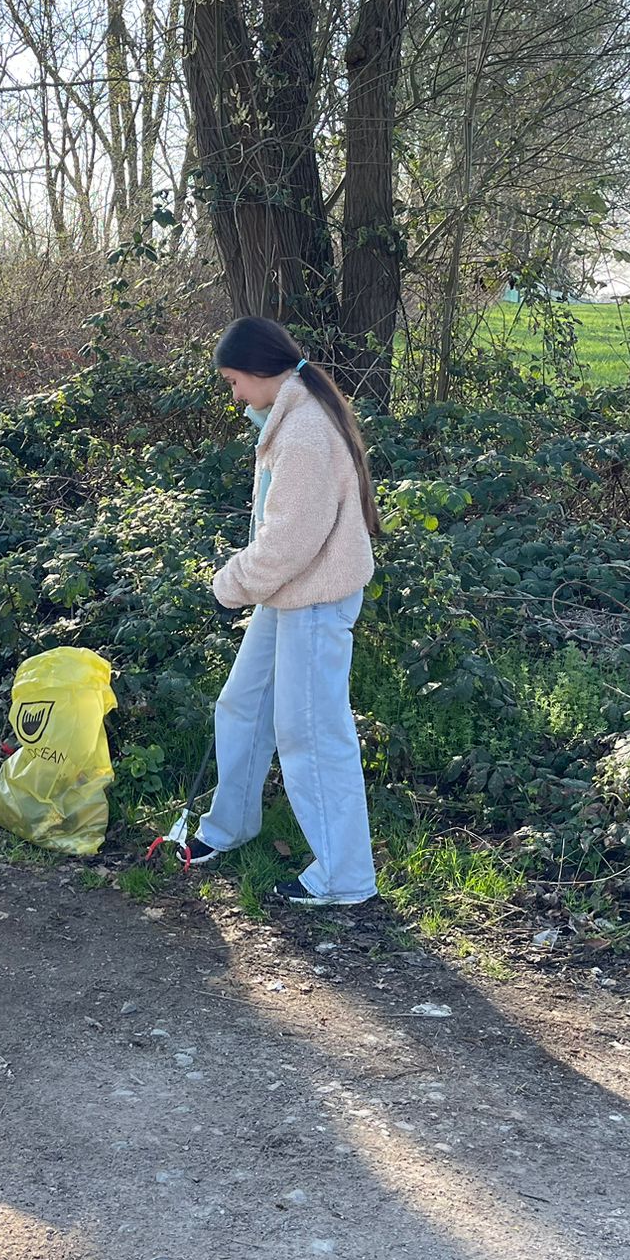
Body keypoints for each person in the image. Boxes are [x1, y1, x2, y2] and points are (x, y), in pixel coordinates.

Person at [185, 317, 382, 906]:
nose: (235, 396)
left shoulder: (303, 433)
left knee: (313, 737)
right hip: (290, 595)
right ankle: (230, 827)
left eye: (234, 382)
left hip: (315, 600)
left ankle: (345, 877)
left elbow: (288, 541)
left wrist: (230, 584)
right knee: (242, 704)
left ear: (258, 371)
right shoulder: (292, 417)